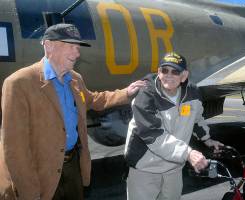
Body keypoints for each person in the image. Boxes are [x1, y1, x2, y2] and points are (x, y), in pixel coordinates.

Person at [0, 23, 145, 200]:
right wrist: (29, 193)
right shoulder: (19, 83)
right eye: (71, 46)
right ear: (49, 45)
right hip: (39, 170)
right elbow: (14, 149)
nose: (77, 53)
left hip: (72, 167)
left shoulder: (75, 79)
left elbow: (94, 100)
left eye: (77, 48)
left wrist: (126, 93)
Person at [124, 52, 224, 200]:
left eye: (175, 71)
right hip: (145, 169)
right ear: (158, 72)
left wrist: (207, 139)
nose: (168, 75)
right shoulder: (146, 95)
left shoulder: (193, 92)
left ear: (184, 76)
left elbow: (196, 119)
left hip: (174, 168)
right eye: (164, 70)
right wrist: (188, 154)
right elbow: (153, 136)